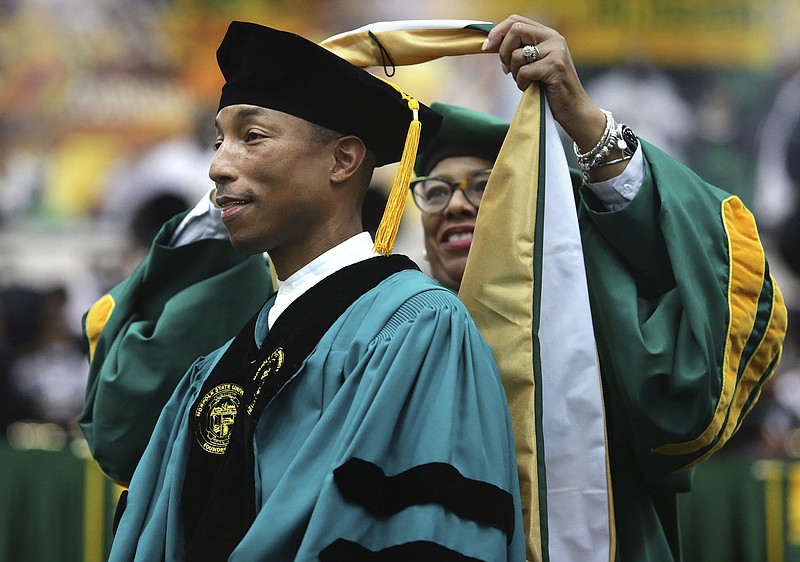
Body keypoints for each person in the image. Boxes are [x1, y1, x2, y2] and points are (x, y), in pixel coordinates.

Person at [83, 21, 523, 561]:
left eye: (252, 136)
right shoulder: (223, 359)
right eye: (219, 140)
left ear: (343, 160)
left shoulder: (419, 328)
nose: (218, 166)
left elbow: (425, 533)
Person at [408, 15, 786, 562]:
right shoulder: (394, 330)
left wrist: (583, 120)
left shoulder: (585, 326)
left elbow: (706, 279)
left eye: (486, 186)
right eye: (437, 190)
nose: (459, 204)